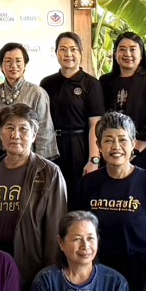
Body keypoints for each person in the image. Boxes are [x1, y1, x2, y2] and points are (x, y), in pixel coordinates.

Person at [78, 110, 146, 291]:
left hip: (141, 274)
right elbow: (76, 230)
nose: (116, 147)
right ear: (98, 145)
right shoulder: (87, 184)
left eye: (122, 140)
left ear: (132, 144)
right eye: (108, 140)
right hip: (97, 273)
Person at [0, 102, 67, 291]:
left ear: (34, 135)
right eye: (9, 127)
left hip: (29, 266)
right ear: (0, 132)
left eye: (23, 129)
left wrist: (49, 275)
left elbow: (56, 228)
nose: (15, 135)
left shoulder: (49, 173)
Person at [39, 32, 103, 209]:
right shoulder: (47, 83)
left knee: (79, 196)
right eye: (63, 49)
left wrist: (93, 159)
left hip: (79, 146)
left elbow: (95, 124)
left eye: (73, 49)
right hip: (52, 146)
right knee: (53, 197)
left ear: (81, 52)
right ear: (56, 52)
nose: (68, 54)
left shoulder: (91, 84)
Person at [98, 32, 146, 174]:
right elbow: (101, 118)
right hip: (112, 154)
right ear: (115, 54)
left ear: (141, 54)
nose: (127, 54)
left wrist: (134, 149)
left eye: (133, 49)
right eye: (122, 49)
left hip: (143, 153)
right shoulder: (105, 82)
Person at [0, 43, 56, 161]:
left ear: (25, 65)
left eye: (18, 61)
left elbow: (45, 131)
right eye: (8, 61)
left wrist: (40, 163)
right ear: (1, 66)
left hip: (28, 155)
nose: (13, 66)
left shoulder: (37, 93)